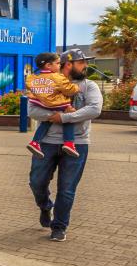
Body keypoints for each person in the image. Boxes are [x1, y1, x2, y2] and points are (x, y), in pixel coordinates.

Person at [29, 49, 102, 242]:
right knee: (36, 182)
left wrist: (65, 117)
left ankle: (59, 226)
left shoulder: (89, 86)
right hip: (46, 142)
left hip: (77, 142)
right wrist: (53, 116)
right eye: (81, 62)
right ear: (68, 64)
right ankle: (45, 206)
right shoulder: (47, 82)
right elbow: (32, 109)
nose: (85, 66)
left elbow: (95, 109)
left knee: (67, 188)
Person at [24, 52, 80, 158]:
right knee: (68, 117)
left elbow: (30, 88)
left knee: (47, 120)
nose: (59, 65)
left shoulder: (33, 78)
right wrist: (77, 88)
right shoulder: (57, 77)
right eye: (58, 63)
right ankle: (69, 143)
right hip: (55, 104)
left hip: (41, 104)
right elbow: (68, 89)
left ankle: (35, 142)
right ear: (48, 65)